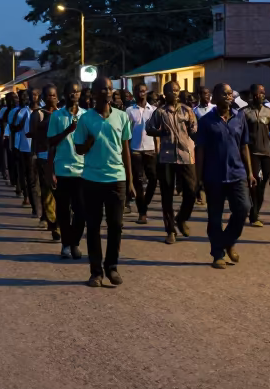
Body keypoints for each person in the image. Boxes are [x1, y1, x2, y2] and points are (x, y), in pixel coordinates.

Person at [72, 74, 134, 287]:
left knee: (116, 225)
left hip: (117, 179)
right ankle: (96, 272)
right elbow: (78, 149)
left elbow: (126, 149)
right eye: (102, 89)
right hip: (91, 179)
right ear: (93, 93)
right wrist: (88, 144)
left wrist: (131, 180)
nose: (107, 92)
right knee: (94, 226)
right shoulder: (86, 119)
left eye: (109, 89)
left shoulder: (121, 116)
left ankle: (112, 267)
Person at [195, 83, 254, 268]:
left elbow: (244, 146)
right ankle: (217, 255)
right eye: (224, 94)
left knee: (244, 208)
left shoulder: (240, 117)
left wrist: (250, 172)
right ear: (215, 97)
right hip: (214, 176)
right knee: (215, 217)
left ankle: (228, 241)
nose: (229, 96)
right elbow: (201, 151)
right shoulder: (206, 121)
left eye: (230, 94)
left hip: (237, 173)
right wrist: (198, 179)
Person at [146, 81, 198, 244]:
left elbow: (194, 128)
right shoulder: (159, 112)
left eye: (176, 90)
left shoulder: (187, 110)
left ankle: (181, 218)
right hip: (167, 156)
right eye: (170, 91)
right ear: (164, 93)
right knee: (167, 194)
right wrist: (158, 132)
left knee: (191, 190)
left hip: (185, 155)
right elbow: (149, 129)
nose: (174, 93)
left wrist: (192, 130)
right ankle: (170, 230)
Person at [47, 81, 84, 259]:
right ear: (65, 94)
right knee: (63, 210)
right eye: (71, 92)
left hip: (82, 170)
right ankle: (65, 244)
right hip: (62, 169)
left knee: (81, 211)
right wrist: (50, 171)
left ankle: (74, 241)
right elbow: (51, 143)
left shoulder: (86, 116)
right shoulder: (57, 116)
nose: (74, 95)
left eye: (77, 92)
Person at [240, 84, 270, 227]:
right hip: (251, 152)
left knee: (263, 183)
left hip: (266, 152)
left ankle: (255, 210)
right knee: (253, 183)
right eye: (260, 93)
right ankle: (254, 215)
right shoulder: (244, 112)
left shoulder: (269, 112)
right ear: (253, 95)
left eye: (263, 92)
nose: (262, 95)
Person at [30, 84, 60, 242]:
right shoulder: (38, 114)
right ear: (43, 98)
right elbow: (34, 135)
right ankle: (53, 224)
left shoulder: (63, 113)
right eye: (49, 96)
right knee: (47, 192)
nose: (52, 98)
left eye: (54, 95)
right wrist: (34, 156)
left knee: (61, 194)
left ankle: (58, 223)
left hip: (61, 158)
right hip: (43, 156)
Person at [125, 84, 158, 223]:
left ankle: (145, 202)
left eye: (144, 91)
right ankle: (142, 212)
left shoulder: (154, 110)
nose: (142, 93)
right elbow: (126, 133)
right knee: (138, 181)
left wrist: (158, 149)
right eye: (139, 91)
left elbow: (157, 132)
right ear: (134, 93)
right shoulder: (129, 111)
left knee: (153, 179)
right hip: (136, 149)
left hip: (151, 149)